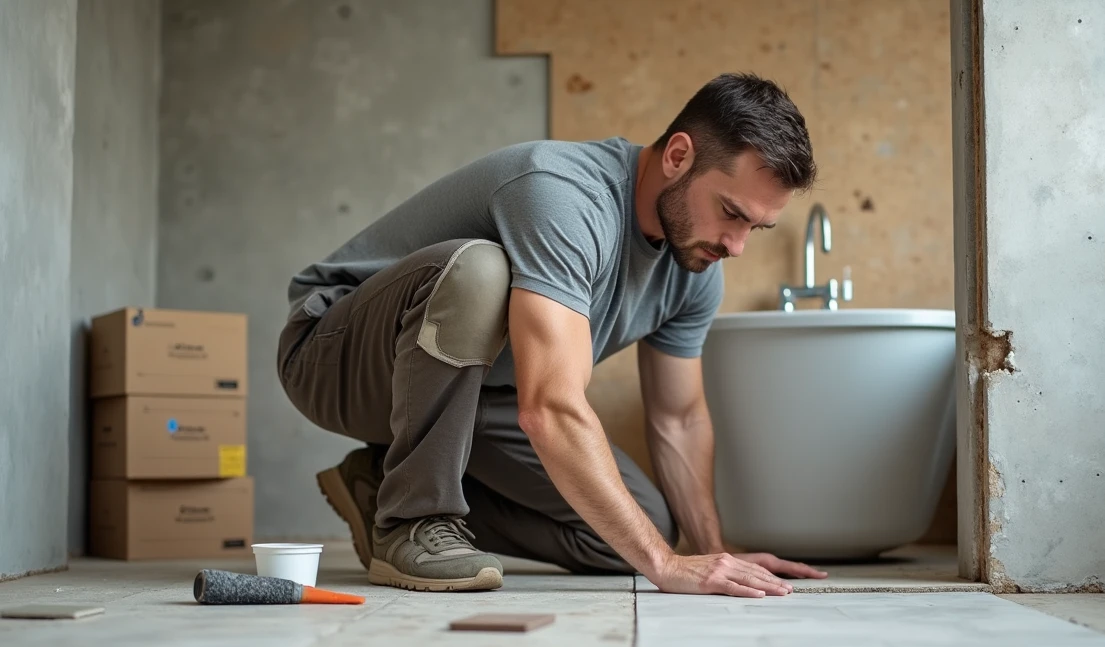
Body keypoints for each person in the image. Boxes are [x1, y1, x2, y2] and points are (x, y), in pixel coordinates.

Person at [277, 72, 829, 597]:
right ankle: (412, 519)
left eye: (755, 227)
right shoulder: (563, 194)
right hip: (335, 359)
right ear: (678, 156)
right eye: (730, 212)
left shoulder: (695, 268)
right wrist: (664, 567)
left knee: (637, 527)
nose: (736, 245)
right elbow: (549, 407)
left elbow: (678, 418)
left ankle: (379, 486)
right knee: (480, 271)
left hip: (478, 393)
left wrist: (710, 553)